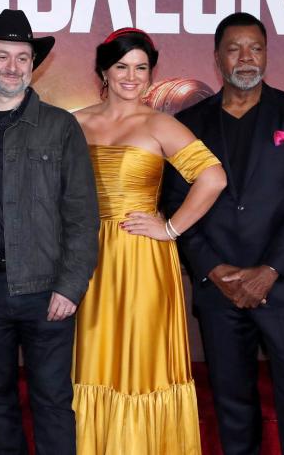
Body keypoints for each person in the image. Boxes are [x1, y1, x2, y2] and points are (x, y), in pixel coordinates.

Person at [160, 12, 284, 455]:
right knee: (233, 403)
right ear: (217, 58)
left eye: (255, 47)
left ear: (267, 53)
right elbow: (175, 203)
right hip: (220, 289)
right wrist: (213, 269)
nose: (246, 57)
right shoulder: (190, 122)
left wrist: (270, 270)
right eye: (234, 48)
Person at [0, 9, 100, 454]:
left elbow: (83, 215)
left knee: (52, 401)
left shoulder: (60, 126)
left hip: (46, 291)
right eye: (2, 56)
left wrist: (70, 286)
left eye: (22, 58)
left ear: (33, 65)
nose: (12, 67)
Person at [71, 28, 226, 455]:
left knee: (141, 364)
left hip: (142, 260)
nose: (131, 76)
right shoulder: (74, 122)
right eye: (122, 66)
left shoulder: (161, 123)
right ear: (104, 69)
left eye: (141, 68)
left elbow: (213, 178)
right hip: (88, 260)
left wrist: (171, 228)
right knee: (94, 360)